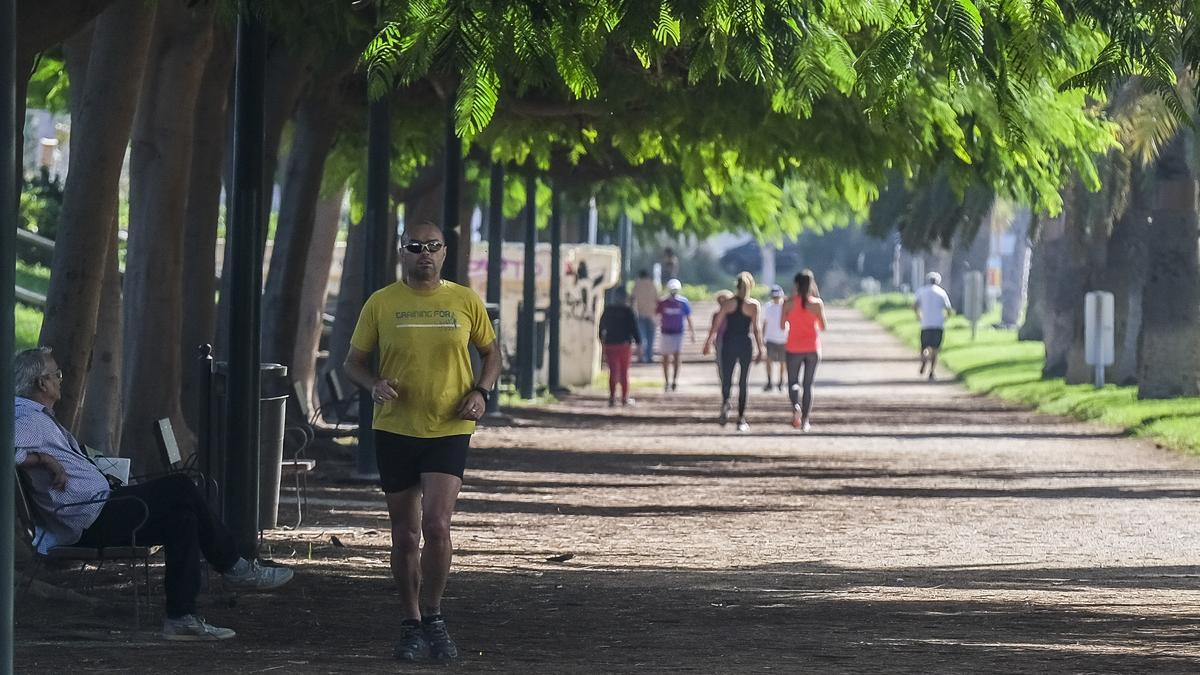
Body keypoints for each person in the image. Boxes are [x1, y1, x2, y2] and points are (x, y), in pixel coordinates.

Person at [13, 347, 294, 641]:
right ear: (41, 383)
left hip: (99, 508)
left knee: (183, 519)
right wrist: (44, 460)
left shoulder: (36, 416)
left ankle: (181, 618)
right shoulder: (26, 417)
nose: (61, 379)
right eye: (56, 374)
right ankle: (235, 566)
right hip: (89, 517)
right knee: (181, 486)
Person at [343, 221, 501, 662]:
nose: (424, 254)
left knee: (437, 524)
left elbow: (492, 353)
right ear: (402, 253)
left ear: (445, 253)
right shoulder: (381, 303)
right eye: (415, 247)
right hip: (394, 427)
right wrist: (372, 383)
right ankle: (410, 621)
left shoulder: (464, 300)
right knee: (405, 533)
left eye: (432, 247)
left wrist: (480, 392)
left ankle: (434, 613)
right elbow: (352, 363)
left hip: (449, 426)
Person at [703, 272, 765, 431]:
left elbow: (716, 325)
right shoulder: (753, 305)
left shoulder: (728, 303)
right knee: (743, 382)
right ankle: (741, 419)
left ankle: (725, 403)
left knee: (727, 378)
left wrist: (708, 342)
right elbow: (757, 329)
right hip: (745, 344)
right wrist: (761, 348)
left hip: (729, 343)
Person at [782, 270, 827, 431]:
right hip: (812, 349)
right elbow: (823, 326)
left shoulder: (788, 303)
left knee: (793, 383)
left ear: (796, 285)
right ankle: (806, 421)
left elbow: (782, 326)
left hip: (793, 348)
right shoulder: (816, 304)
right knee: (808, 385)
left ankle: (796, 406)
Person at [598, 287, 640, 406]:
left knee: (613, 371)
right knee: (624, 372)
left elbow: (601, 327)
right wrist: (639, 343)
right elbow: (634, 328)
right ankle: (624, 398)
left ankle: (612, 397)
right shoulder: (628, 311)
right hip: (624, 345)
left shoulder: (608, 310)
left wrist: (601, 340)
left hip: (610, 344)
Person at [655, 278, 695, 392]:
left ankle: (674, 380)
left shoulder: (683, 302)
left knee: (677, 357)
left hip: (678, 333)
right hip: (666, 333)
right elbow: (657, 316)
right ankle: (667, 381)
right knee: (665, 358)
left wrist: (692, 332)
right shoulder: (663, 303)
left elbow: (688, 317)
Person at [913, 271, 954, 380]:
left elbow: (914, 305)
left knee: (924, 346)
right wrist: (944, 318)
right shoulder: (941, 293)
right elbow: (949, 310)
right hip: (938, 324)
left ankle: (925, 357)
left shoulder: (921, 291)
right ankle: (931, 371)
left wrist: (918, 315)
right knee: (935, 349)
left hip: (925, 324)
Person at [761, 284, 789, 392]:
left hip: (783, 338)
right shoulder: (768, 306)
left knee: (783, 362)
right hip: (770, 338)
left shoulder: (785, 306)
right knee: (769, 361)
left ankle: (781, 382)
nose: (776, 298)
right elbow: (765, 322)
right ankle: (769, 381)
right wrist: (763, 337)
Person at [705, 289, 734, 390]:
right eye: (720, 301)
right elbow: (713, 329)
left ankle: (728, 383)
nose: (722, 304)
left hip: (731, 341)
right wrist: (708, 342)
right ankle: (724, 384)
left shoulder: (733, 315)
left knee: (729, 364)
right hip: (720, 341)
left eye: (724, 301)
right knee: (720, 364)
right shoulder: (716, 315)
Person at [630, 269, 660, 364]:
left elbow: (632, 299)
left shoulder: (637, 285)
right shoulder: (653, 285)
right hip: (652, 315)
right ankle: (650, 356)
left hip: (640, 314)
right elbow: (657, 299)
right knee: (651, 337)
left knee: (641, 337)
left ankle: (642, 357)